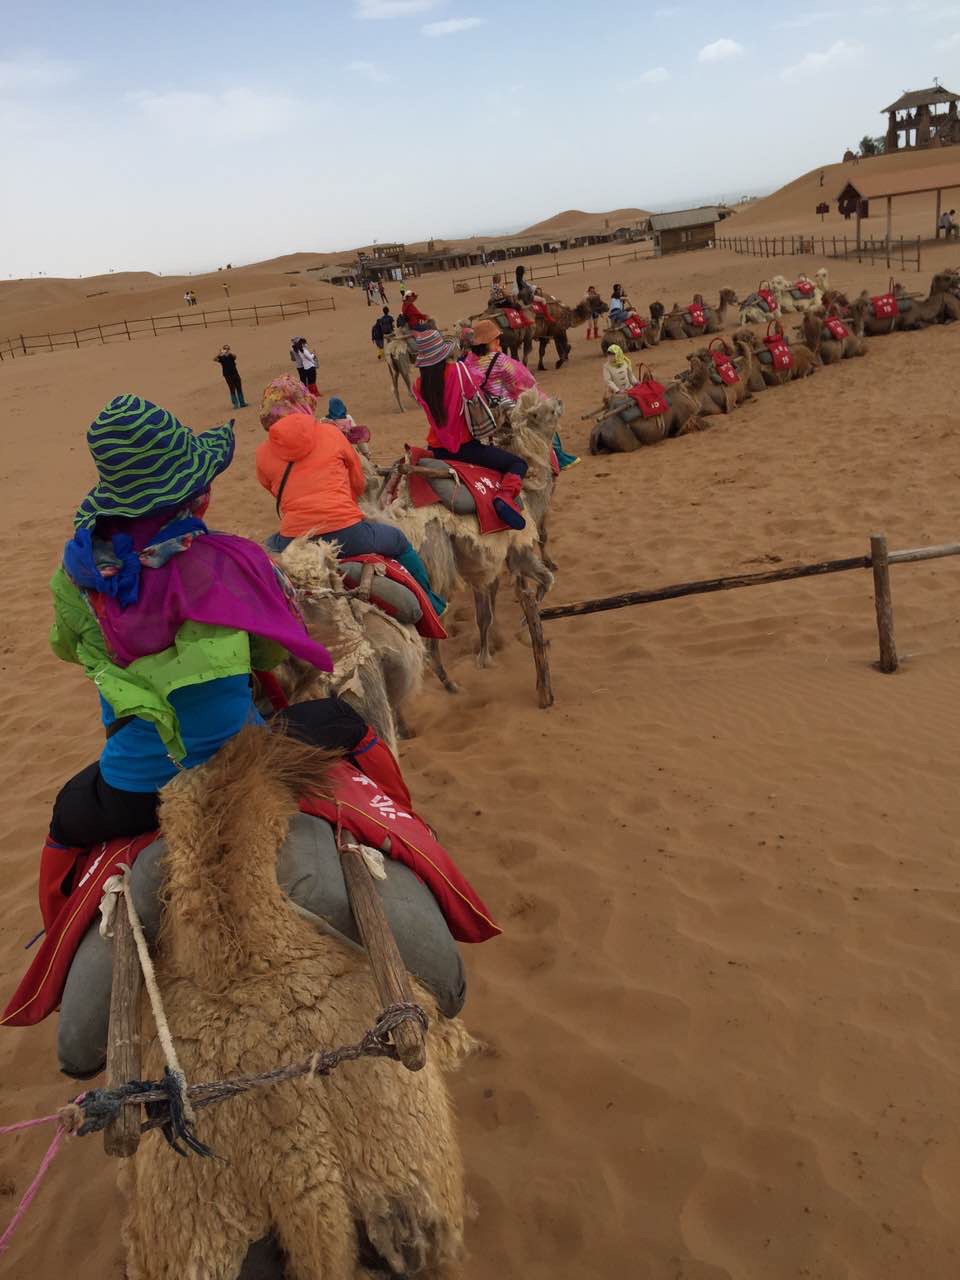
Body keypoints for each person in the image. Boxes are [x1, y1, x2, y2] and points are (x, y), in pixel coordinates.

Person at [45, 395, 335, 856]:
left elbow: (66, 646)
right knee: (347, 725)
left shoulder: (75, 577)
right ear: (194, 492)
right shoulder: (233, 559)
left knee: (64, 822)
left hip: (138, 785)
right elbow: (268, 654)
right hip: (241, 751)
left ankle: (58, 928)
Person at [256, 377, 446, 614]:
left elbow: (272, 489)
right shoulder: (331, 433)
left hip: (295, 539)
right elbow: (357, 482)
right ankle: (431, 601)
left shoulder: (262, 452)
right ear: (303, 402)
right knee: (397, 539)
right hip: (347, 534)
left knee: (264, 551)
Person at [411, 327, 528, 529]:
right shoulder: (457, 371)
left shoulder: (419, 385)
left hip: (438, 450)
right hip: (465, 448)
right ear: (443, 354)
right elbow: (478, 381)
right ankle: (505, 497)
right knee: (518, 464)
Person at [466, 319, 580, 470]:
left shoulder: (468, 361)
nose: (499, 342)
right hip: (504, 408)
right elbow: (525, 381)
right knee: (545, 410)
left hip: (482, 410)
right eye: (496, 339)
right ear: (488, 342)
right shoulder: (501, 361)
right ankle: (558, 457)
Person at [213, 343, 248, 409]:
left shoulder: (231, 356)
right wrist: (220, 353)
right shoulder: (221, 357)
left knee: (239, 388)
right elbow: (214, 359)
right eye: (225, 348)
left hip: (235, 373)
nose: (227, 350)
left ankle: (242, 403)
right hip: (228, 375)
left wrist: (229, 353)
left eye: (228, 348)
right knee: (232, 389)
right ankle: (235, 404)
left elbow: (235, 356)